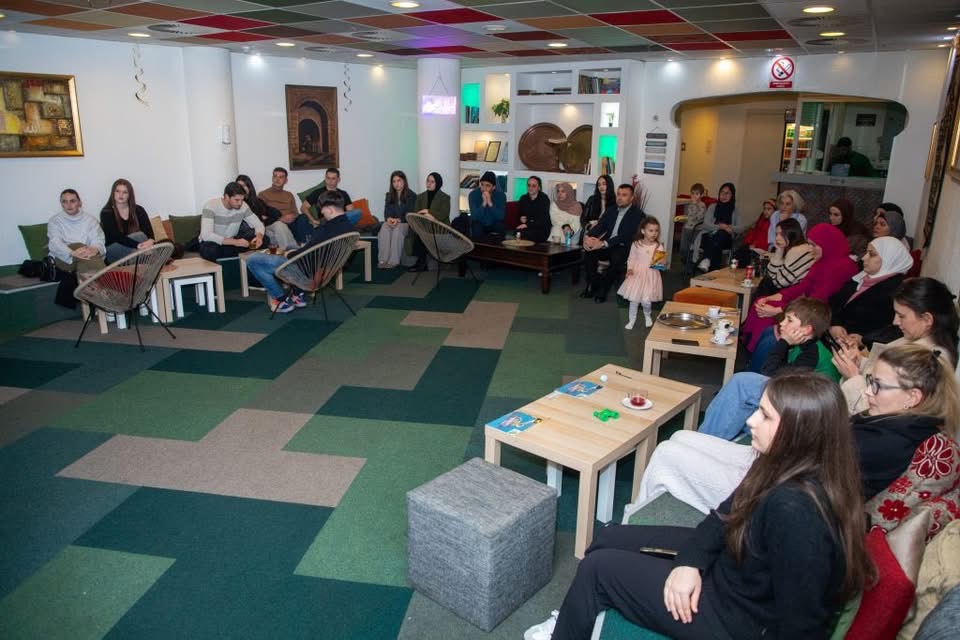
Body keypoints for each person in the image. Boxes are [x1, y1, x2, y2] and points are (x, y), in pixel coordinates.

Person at [525, 373, 872, 640]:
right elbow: (724, 515)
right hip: (730, 563)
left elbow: (803, 622)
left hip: (734, 618)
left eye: (765, 415)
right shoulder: (780, 462)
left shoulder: (797, 510)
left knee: (597, 569)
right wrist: (690, 563)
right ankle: (574, 613)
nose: (751, 421)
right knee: (609, 536)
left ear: (798, 431)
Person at [635, 343, 959, 516]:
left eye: (877, 385)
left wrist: (778, 436)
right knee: (681, 437)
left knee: (667, 452)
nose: (868, 390)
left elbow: (812, 476)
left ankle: (635, 517)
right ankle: (643, 511)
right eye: (870, 380)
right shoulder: (896, 424)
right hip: (780, 471)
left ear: (913, 397)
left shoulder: (889, 443)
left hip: (775, 494)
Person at [697, 297, 839, 441]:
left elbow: (771, 377)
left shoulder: (812, 354)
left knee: (741, 384)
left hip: (807, 415)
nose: (782, 323)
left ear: (807, 329)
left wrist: (783, 342)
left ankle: (705, 441)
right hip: (796, 400)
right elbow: (776, 374)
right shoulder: (805, 345)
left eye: (789, 320)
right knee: (737, 404)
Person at [834, 277, 959, 414]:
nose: (895, 321)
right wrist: (860, 363)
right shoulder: (915, 339)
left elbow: (880, 414)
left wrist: (853, 377)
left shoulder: (930, 361)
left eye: (901, 316)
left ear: (927, 319)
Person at [743, 223, 857, 355]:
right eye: (809, 244)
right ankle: (753, 348)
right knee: (762, 301)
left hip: (818, 314)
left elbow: (818, 301)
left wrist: (778, 310)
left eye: (814, 245)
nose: (810, 249)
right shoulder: (823, 260)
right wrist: (772, 297)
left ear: (826, 244)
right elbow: (804, 285)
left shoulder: (840, 267)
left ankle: (763, 352)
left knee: (768, 322)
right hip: (808, 306)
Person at [244, 195, 355, 313]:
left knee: (253, 259)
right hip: (325, 272)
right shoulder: (349, 227)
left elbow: (307, 253)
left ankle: (281, 299)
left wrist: (288, 255)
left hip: (307, 274)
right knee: (290, 247)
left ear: (330, 209)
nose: (322, 213)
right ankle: (297, 294)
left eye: (322, 209)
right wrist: (296, 251)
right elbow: (314, 249)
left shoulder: (327, 229)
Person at [826, 236, 914, 343]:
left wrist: (864, 340)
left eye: (872, 254)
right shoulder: (862, 277)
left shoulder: (896, 291)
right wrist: (834, 325)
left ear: (888, 259)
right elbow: (834, 301)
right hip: (833, 336)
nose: (864, 257)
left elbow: (892, 330)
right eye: (866, 252)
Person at [580, 183, 645, 303]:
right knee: (590, 253)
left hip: (623, 246)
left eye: (624, 195)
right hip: (607, 244)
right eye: (618, 194)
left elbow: (624, 236)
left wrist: (602, 243)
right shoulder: (611, 210)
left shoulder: (638, 214)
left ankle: (603, 289)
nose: (620, 198)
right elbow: (600, 226)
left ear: (631, 198)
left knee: (616, 260)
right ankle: (593, 284)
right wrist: (588, 237)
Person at [48, 189, 106, 308]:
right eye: (65, 201)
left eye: (72, 201)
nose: (69, 205)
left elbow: (98, 240)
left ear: (79, 203)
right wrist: (73, 252)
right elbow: (55, 243)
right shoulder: (55, 221)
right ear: (61, 204)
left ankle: (97, 304)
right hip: (64, 258)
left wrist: (95, 249)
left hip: (87, 257)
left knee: (85, 260)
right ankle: (109, 293)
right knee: (79, 246)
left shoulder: (90, 220)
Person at [196, 182, 264, 261]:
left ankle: (234, 253)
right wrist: (236, 242)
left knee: (265, 240)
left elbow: (258, 224)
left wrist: (259, 237)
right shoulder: (210, 206)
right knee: (211, 250)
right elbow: (207, 235)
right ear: (227, 197)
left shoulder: (243, 206)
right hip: (213, 242)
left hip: (232, 241)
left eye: (242, 200)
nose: (240, 203)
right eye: (237, 200)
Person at [618, 218, 665, 329]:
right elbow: (631, 258)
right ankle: (632, 320)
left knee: (646, 300)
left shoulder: (658, 246)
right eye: (651, 230)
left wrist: (662, 262)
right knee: (634, 300)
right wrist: (629, 269)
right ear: (643, 231)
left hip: (651, 275)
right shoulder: (636, 244)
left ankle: (647, 315)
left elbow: (659, 265)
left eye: (656, 231)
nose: (654, 233)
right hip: (637, 275)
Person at [99, 178, 154, 264]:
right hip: (114, 251)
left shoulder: (139, 210)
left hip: (136, 249)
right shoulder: (106, 212)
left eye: (125, 192)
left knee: (163, 243)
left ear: (129, 195)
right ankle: (151, 256)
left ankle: (141, 258)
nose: (121, 195)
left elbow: (149, 232)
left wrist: (150, 241)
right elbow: (116, 236)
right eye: (117, 191)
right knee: (140, 236)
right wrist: (138, 245)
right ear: (113, 193)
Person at [753, 218, 812, 298]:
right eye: (776, 234)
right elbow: (773, 276)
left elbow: (778, 282)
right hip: (797, 291)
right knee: (766, 282)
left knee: (766, 283)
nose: (777, 238)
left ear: (792, 234)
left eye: (781, 234)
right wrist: (779, 251)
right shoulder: (799, 247)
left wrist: (778, 253)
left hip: (800, 296)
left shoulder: (797, 251)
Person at [236, 174, 297, 251]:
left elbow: (276, 213)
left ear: (249, 187)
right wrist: (261, 218)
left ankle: (292, 252)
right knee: (276, 235)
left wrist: (265, 220)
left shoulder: (257, 201)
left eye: (244, 185)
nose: (241, 188)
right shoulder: (237, 204)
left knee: (279, 225)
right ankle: (292, 252)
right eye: (239, 186)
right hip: (255, 233)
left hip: (264, 229)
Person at [408, 172, 450, 273]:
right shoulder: (420, 196)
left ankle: (421, 263)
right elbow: (416, 213)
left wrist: (429, 212)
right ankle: (421, 262)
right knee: (419, 230)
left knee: (423, 231)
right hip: (424, 224)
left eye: (432, 182)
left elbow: (444, 214)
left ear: (438, 183)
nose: (429, 184)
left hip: (439, 226)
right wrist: (425, 217)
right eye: (427, 181)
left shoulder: (445, 197)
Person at [694, 182, 741, 272]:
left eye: (727, 193)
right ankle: (713, 270)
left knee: (721, 235)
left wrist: (728, 227)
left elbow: (740, 228)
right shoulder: (712, 207)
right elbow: (706, 224)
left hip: (725, 240)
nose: (724, 195)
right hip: (708, 236)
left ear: (732, 195)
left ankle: (707, 259)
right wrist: (720, 226)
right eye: (722, 192)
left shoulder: (735, 210)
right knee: (716, 242)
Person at [258, 167, 309, 245]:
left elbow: (295, 212)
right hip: (275, 223)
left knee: (303, 217)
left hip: (290, 223)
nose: (277, 179)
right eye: (275, 176)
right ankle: (296, 247)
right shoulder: (263, 194)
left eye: (281, 177)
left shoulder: (289, 195)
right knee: (280, 225)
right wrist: (280, 219)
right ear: (272, 178)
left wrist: (292, 216)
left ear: (286, 180)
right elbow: (262, 217)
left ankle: (304, 245)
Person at [377, 170, 416, 268]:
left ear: (404, 181)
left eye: (399, 180)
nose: (396, 184)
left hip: (406, 223)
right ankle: (383, 260)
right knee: (384, 226)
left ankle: (393, 261)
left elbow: (410, 213)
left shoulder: (411, 195)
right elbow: (386, 212)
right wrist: (389, 219)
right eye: (394, 181)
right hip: (392, 222)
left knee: (397, 229)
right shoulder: (389, 195)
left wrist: (399, 220)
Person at [730, 198, 774, 267]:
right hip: (753, 245)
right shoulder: (761, 219)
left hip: (763, 248)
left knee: (744, 255)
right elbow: (754, 231)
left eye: (769, 209)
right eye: (764, 209)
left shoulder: (774, 223)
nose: (765, 211)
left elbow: (767, 238)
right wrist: (749, 243)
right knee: (738, 253)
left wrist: (755, 245)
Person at [467, 171, 506, 237]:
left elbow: (501, 216)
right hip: (479, 222)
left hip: (494, 222)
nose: (484, 188)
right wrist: (484, 203)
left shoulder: (501, 195)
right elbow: (474, 217)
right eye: (482, 184)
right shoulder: (473, 194)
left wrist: (490, 203)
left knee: (500, 226)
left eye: (487, 185)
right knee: (476, 227)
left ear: (494, 187)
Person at [515, 176, 551, 243]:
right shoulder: (523, 198)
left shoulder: (544, 199)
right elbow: (519, 214)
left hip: (541, 228)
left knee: (529, 235)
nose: (530, 188)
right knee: (517, 232)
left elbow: (543, 220)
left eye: (534, 186)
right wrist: (521, 218)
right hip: (526, 227)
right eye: (529, 185)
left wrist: (527, 225)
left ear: (539, 188)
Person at [679, 183, 707, 265]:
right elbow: (686, 215)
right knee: (683, 248)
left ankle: (691, 264)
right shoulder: (688, 204)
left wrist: (694, 205)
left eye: (697, 194)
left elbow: (698, 217)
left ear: (701, 195)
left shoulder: (702, 205)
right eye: (692, 193)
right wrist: (682, 219)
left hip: (696, 230)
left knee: (692, 248)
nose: (694, 196)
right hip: (686, 228)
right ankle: (686, 262)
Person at [581, 175, 615, 242]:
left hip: (606, 233)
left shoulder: (615, 202)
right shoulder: (592, 199)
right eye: (599, 185)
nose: (601, 187)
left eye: (604, 184)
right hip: (591, 230)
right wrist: (589, 226)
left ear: (609, 185)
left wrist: (599, 223)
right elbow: (583, 218)